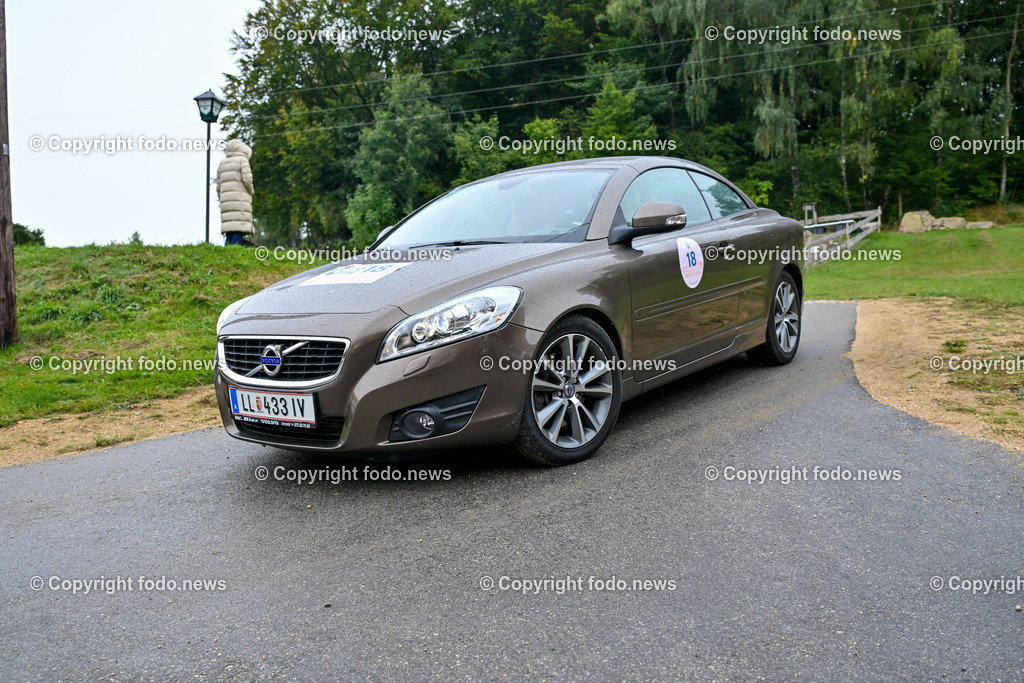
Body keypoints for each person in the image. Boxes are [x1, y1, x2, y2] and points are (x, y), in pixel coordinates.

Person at [216, 139, 255, 246]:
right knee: (238, 227)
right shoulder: (242, 160)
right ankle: (235, 249)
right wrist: (251, 191)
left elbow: (218, 185)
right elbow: (247, 179)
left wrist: (221, 198)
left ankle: (226, 250)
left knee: (230, 228)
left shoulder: (222, 163)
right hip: (240, 199)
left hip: (226, 201)